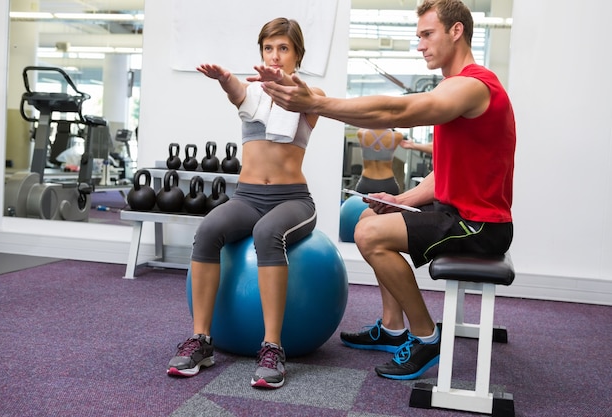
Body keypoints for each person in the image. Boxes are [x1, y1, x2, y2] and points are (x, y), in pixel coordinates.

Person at [262, 0, 515, 381]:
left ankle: (426, 336)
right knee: (370, 216)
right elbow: (444, 174)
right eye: (418, 37)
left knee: (367, 234)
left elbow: (397, 114)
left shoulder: (474, 86)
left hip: (480, 226)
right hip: (454, 213)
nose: (420, 45)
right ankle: (392, 326)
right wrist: (400, 201)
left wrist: (317, 103)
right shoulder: (455, 87)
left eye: (427, 35)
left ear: (456, 31)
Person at [166, 17, 324, 389]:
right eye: (269, 48)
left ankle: (272, 347)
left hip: (293, 201)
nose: (275, 55)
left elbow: (306, 98)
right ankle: (201, 340)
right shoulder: (253, 93)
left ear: (297, 54)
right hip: (249, 197)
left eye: (283, 48)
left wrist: (286, 84)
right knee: (206, 230)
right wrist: (224, 79)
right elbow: (236, 89)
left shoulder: (307, 96)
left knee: (268, 234)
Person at [354, 128, 404, 195]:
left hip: (366, 183)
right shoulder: (397, 136)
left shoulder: (361, 133)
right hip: (387, 184)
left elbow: (363, 126)